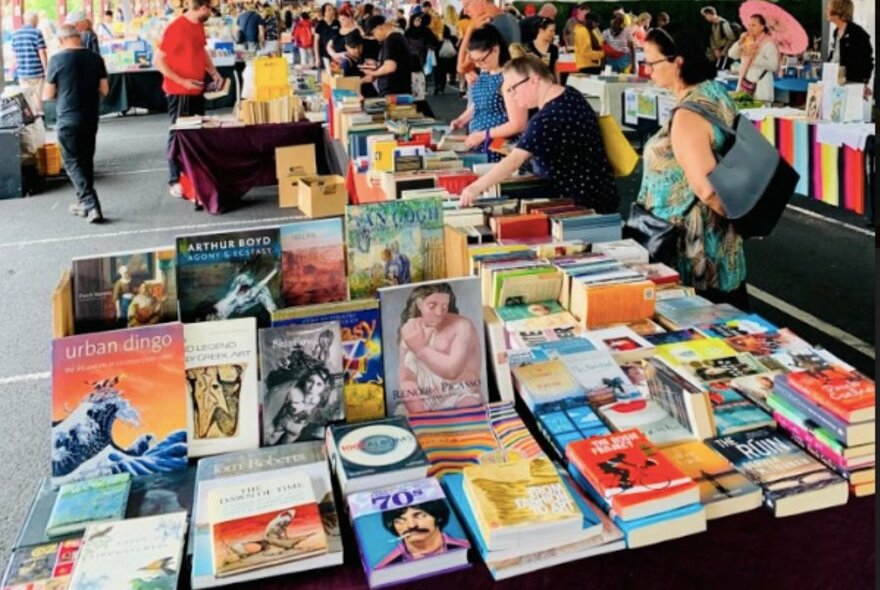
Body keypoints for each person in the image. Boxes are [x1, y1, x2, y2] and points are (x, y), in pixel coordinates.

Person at [638, 25, 747, 309]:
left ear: (678, 61)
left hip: (691, 246)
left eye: (652, 62)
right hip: (716, 238)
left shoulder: (689, 114)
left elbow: (707, 189)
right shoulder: (713, 92)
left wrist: (743, 221)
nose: (648, 69)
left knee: (701, 322)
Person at [458, 55, 618, 214]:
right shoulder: (569, 94)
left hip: (577, 203)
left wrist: (475, 187)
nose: (512, 96)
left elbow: (514, 161)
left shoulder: (546, 118)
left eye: (513, 88)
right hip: (599, 190)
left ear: (534, 80)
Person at [154, 0, 222, 204]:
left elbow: (201, 51)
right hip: (179, 91)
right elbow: (158, 60)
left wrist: (213, 71)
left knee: (196, 132)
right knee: (178, 133)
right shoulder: (176, 28)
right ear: (202, 8)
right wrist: (181, 81)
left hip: (195, 89)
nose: (211, 11)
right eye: (210, 8)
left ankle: (193, 174)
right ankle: (175, 179)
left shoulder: (198, 26)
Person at [43, 25, 109, 223]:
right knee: (86, 160)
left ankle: (91, 204)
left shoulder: (56, 60)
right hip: (90, 116)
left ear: (61, 40)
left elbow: (48, 94)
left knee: (72, 162)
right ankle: (83, 203)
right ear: (78, 38)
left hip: (68, 118)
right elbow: (105, 90)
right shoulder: (96, 58)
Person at [396, 282, 485, 414]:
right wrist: (417, 404)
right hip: (425, 399)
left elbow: (452, 371)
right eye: (432, 306)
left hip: (459, 392)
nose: (439, 312)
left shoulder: (462, 326)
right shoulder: (411, 329)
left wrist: (421, 349)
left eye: (444, 306)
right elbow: (406, 378)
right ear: (420, 304)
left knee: (469, 404)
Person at [449, 26, 528, 162]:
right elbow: (480, 104)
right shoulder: (486, 71)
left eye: (481, 59)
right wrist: (462, 120)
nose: (478, 65)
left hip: (498, 148)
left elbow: (518, 124)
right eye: (475, 61)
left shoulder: (509, 77)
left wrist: (484, 135)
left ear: (495, 50)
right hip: (480, 142)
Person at [375, 501, 470, 567]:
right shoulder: (386, 566)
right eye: (400, 520)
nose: (411, 525)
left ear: (438, 517)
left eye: (420, 516)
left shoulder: (466, 548)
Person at [826, 0, 874, 96]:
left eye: (828, 9)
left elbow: (867, 60)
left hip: (851, 84)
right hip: (835, 81)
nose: (825, 11)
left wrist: (863, 83)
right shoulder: (836, 32)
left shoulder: (858, 33)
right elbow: (835, 56)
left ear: (838, 11)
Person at [727, 14, 779, 102]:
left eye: (754, 25)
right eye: (749, 25)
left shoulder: (768, 43)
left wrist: (755, 57)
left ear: (762, 27)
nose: (750, 28)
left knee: (761, 113)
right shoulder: (746, 41)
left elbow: (774, 66)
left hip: (761, 84)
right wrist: (740, 42)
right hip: (744, 83)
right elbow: (731, 54)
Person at [362, 16, 413, 96]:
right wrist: (378, 65)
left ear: (379, 27)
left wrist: (373, 73)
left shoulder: (391, 40)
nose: (374, 37)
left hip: (393, 90)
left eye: (373, 33)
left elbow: (390, 67)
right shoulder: (396, 37)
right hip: (399, 89)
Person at [11, 12, 48, 115]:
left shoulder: (16, 34)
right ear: (35, 21)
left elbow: (15, 54)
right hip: (37, 71)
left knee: (26, 97)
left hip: (22, 72)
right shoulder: (37, 33)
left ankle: (30, 122)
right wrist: (46, 69)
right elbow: (42, 53)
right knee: (37, 96)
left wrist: (14, 68)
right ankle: (40, 121)